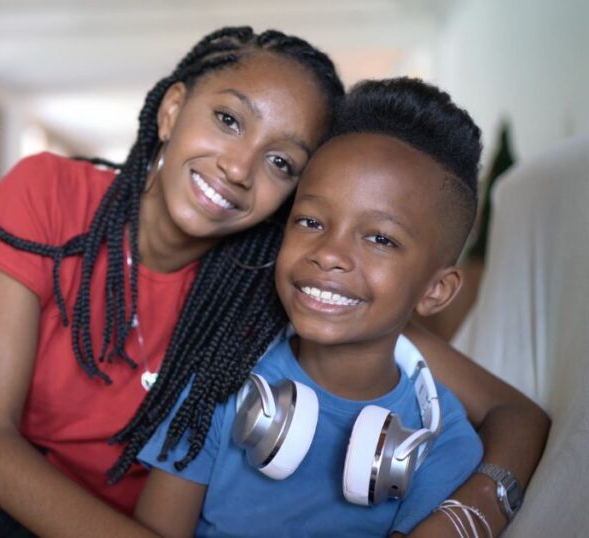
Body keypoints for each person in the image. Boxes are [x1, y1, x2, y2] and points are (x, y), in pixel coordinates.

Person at [0, 27, 547, 538]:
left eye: (283, 162)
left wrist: (474, 509)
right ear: (171, 109)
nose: (239, 165)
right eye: (228, 120)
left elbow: (515, 417)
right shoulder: (51, 195)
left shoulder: (279, 278)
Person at [134, 78, 485, 537]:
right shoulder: (218, 381)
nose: (329, 253)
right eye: (311, 221)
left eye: (380, 238)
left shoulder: (445, 447)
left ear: (436, 290)